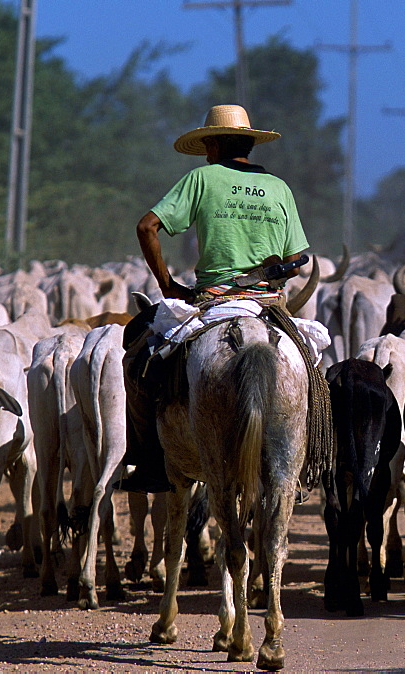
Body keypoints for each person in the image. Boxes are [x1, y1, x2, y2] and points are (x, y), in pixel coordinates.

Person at [117, 104, 309, 493]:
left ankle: (151, 460)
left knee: (139, 359)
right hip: (268, 305)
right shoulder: (279, 188)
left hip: (213, 301)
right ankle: (310, 463)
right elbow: (295, 261)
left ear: (217, 144)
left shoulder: (202, 179)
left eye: (207, 143)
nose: (206, 152)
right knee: (314, 373)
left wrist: (169, 285)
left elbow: (147, 226)